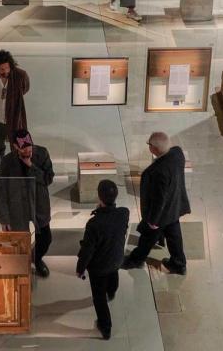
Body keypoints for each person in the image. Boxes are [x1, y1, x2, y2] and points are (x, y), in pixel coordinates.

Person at [122, 132, 190, 274]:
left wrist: (153, 221)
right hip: (175, 206)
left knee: (147, 237)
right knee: (174, 235)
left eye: (149, 145)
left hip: (161, 214)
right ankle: (179, 263)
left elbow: (160, 199)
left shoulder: (157, 171)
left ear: (154, 149)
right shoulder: (178, 153)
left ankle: (135, 260)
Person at [0, 129, 55, 278]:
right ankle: (22, 263)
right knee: (19, 241)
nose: (28, 151)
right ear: (16, 147)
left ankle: (37, 259)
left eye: (30, 148)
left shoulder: (42, 154)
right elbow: (2, 190)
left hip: (39, 204)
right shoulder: (7, 162)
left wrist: (31, 166)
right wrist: (4, 218)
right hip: (18, 207)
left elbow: (48, 179)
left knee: (46, 239)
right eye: (24, 149)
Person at [76, 179, 129, 341]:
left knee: (99, 298)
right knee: (113, 275)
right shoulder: (124, 213)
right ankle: (112, 292)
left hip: (99, 267)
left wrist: (80, 268)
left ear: (99, 197)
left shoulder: (94, 224)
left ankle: (105, 328)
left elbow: (87, 250)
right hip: (116, 259)